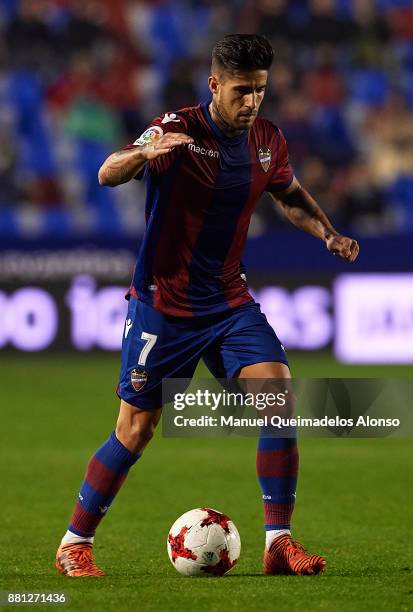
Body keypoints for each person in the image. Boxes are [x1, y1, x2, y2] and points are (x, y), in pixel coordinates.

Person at [55, 34, 359, 577]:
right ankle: (75, 542)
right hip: (163, 304)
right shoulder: (178, 128)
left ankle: (278, 542)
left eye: (260, 91)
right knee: (136, 429)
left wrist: (328, 234)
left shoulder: (267, 140)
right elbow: (107, 171)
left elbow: (289, 195)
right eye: (241, 91)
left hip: (228, 302)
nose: (252, 103)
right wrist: (142, 155)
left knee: (278, 396)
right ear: (215, 85)